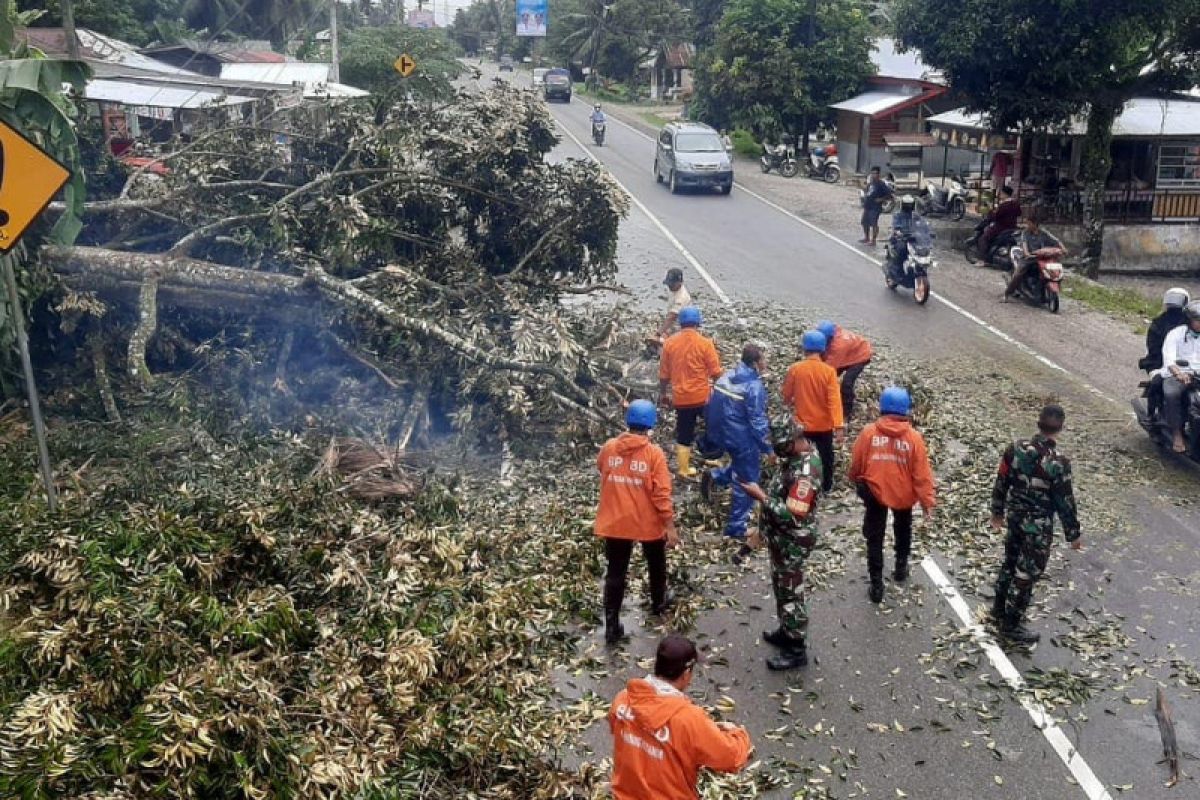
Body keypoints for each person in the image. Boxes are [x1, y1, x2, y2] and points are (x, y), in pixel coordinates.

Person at [609, 634, 751, 799]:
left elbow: (619, 728)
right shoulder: (689, 719)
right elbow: (730, 757)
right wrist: (738, 734)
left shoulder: (624, 698)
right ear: (686, 673)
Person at [989, 405, 1081, 644]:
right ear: (1060, 428)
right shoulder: (1058, 462)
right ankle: (1011, 625)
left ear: (1038, 423)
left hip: (1016, 518)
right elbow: (1065, 501)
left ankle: (998, 609)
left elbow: (1002, 481)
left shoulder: (1015, 449)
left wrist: (997, 512)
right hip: (1037, 527)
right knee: (1026, 574)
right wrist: (1073, 533)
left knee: (1010, 562)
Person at [737, 417, 822, 670]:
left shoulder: (806, 473)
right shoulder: (794, 460)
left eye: (782, 446)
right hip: (780, 539)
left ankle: (796, 648)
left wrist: (760, 496)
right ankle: (787, 630)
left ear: (795, 442)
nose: (778, 451)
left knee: (791, 592)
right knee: (782, 588)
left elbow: (793, 515)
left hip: (793, 540)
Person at [596, 400, 679, 645]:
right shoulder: (654, 454)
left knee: (615, 573)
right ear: (651, 425)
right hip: (647, 522)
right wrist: (670, 527)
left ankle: (612, 625)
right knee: (656, 562)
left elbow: (601, 468)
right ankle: (658, 602)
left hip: (616, 521)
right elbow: (661, 494)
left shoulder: (610, 447)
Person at [848, 388, 936, 604]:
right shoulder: (914, 438)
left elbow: (857, 462)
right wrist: (927, 502)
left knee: (874, 536)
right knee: (903, 527)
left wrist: (855, 479)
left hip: (875, 492)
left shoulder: (869, 433)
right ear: (906, 410)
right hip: (903, 494)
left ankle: (876, 584)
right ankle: (900, 566)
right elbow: (921, 473)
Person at [700, 344, 772, 545]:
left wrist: (713, 435)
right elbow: (757, 421)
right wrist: (768, 447)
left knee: (740, 466)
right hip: (742, 439)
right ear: (756, 363)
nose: (765, 364)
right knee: (748, 480)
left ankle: (716, 475)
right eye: (763, 360)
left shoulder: (725, 377)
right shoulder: (754, 387)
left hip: (723, 434)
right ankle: (736, 527)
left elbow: (711, 406)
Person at [658, 306, 722, 477]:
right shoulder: (705, 343)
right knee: (712, 426)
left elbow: (664, 374)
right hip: (703, 397)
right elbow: (716, 373)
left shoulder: (670, 344)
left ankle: (684, 468)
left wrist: (663, 393)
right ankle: (712, 458)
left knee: (684, 432)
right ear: (698, 323)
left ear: (680, 323)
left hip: (681, 399)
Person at [781, 330, 843, 494]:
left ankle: (798, 487)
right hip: (823, 427)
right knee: (826, 457)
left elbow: (786, 395)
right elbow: (834, 401)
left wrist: (786, 408)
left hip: (802, 426)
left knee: (800, 458)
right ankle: (826, 486)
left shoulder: (795, 369)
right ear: (823, 349)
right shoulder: (829, 372)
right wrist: (839, 427)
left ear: (804, 349)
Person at [1160, 301, 1200, 453]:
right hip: (1177, 374)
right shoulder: (1176, 334)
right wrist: (1179, 373)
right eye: (1198, 320)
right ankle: (1177, 433)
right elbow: (1169, 358)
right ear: (1189, 320)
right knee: (1172, 394)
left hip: (1197, 375)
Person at [817, 320, 872, 421]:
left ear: (830, 337)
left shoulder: (838, 346)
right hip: (850, 352)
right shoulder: (832, 331)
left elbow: (828, 368)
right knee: (830, 377)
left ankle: (847, 410)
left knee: (847, 383)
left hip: (862, 355)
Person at [1005, 212, 1066, 299]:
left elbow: (1056, 241)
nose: (1027, 225)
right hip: (1029, 258)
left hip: (1042, 258)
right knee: (1018, 274)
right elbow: (1024, 244)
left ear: (1034, 223)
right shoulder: (1025, 233)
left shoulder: (1044, 233)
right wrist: (1027, 254)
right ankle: (1007, 293)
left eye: (1028, 223)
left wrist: (1063, 249)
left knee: (1054, 270)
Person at [975, 185, 1022, 261]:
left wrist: (990, 211)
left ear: (1005, 194)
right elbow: (1019, 213)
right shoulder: (1015, 204)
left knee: (983, 238)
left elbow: (995, 217)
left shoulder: (1004, 205)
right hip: (1012, 227)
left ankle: (983, 260)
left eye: (1001, 193)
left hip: (1001, 227)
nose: (1000, 195)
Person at [859, 166, 893, 247]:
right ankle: (866, 237)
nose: (873, 175)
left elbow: (889, 195)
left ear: (878, 174)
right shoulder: (871, 183)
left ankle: (873, 240)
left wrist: (881, 199)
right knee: (864, 222)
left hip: (875, 207)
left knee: (874, 223)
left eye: (875, 173)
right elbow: (867, 191)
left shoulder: (881, 184)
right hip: (868, 206)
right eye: (872, 173)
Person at [658, 268, 692, 339]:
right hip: (672, 327)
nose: (669, 286)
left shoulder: (682, 297)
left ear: (679, 282)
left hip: (680, 330)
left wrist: (658, 334)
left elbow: (671, 317)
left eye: (672, 284)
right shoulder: (673, 290)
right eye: (669, 284)